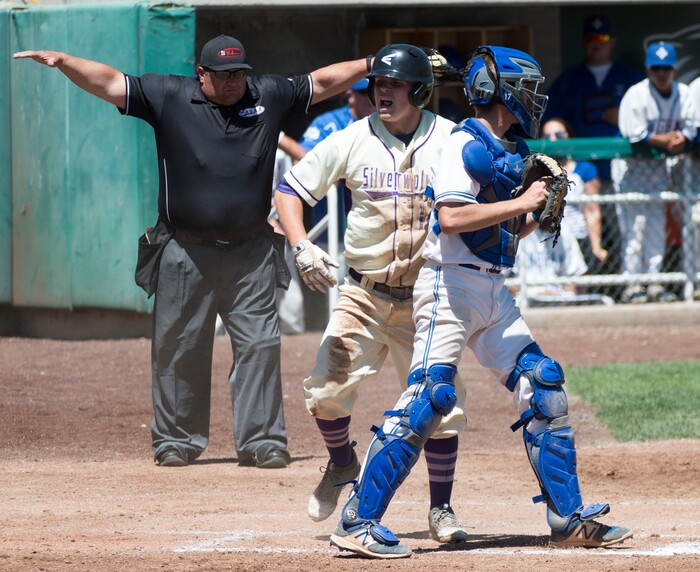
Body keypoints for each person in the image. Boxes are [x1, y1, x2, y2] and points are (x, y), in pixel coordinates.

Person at [329, 45, 632, 559]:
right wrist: (524, 201)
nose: (536, 96)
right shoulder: (461, 142)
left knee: (544, 385)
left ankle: (568, 517)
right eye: (528, 87)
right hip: (448, 286)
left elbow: (510, 227)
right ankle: (358, 519)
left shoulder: (510, 149)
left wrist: (541, 208)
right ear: (504, 90)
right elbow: (450, 219)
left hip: (492, 289)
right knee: (431, 397)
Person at [13, 35, 371, 469]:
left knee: (260, 346)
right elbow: (109, 82)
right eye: (222, 75)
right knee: (179, 348)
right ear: (201, 73)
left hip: (251, 252)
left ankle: (262, 440)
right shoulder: (168, 94)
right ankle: (177, 440)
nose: (232, 82)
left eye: (239, 73)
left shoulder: (268, 94)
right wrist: (65, 61)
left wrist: (371, 61)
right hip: (185, 250)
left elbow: (322, 81)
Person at [274, 44, 468, 543]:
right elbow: (291, 190)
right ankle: (342, 465)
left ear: (420, 91)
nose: (382, 90)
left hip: (429, 295)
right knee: (325, 392)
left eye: (395, 84)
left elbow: (490, 183)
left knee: (441, 407)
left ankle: (441, 509)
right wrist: (301, 246)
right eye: (377, 83)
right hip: (363, 294)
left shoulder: (450, 139)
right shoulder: (352, 138)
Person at [612, 41, 696, 304]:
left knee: (657, 226)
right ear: (648, 69)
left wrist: (682, 139)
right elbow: (634, 136)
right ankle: (631, 283)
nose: (661, 73)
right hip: (631, 168)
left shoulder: (684, 93)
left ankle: (654, 281)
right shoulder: (636, 95)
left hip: (658, 168)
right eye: (656, 68)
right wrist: (666, 139)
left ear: (673, 69)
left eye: (666, 68)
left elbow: (693, 129)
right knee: (634, 227)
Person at [543, 14, 644, 182]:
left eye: (602, 37)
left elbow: (652, 115)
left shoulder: (630, 77)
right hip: (581, 168)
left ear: (613, 41)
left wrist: (626, 118)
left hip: (624, 165)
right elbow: (549, 119)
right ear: (583, 42)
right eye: (591, 38)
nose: (596, 43)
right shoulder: (568, 81)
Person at [540, 118, 608, 269]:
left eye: (559, 135)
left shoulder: (584, 169)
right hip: (547, 239)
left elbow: (592, 210)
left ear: (569, 136)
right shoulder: (537, 171)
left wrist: (596, 246)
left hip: (578, 237)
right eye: (547, 137)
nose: (553, 140)